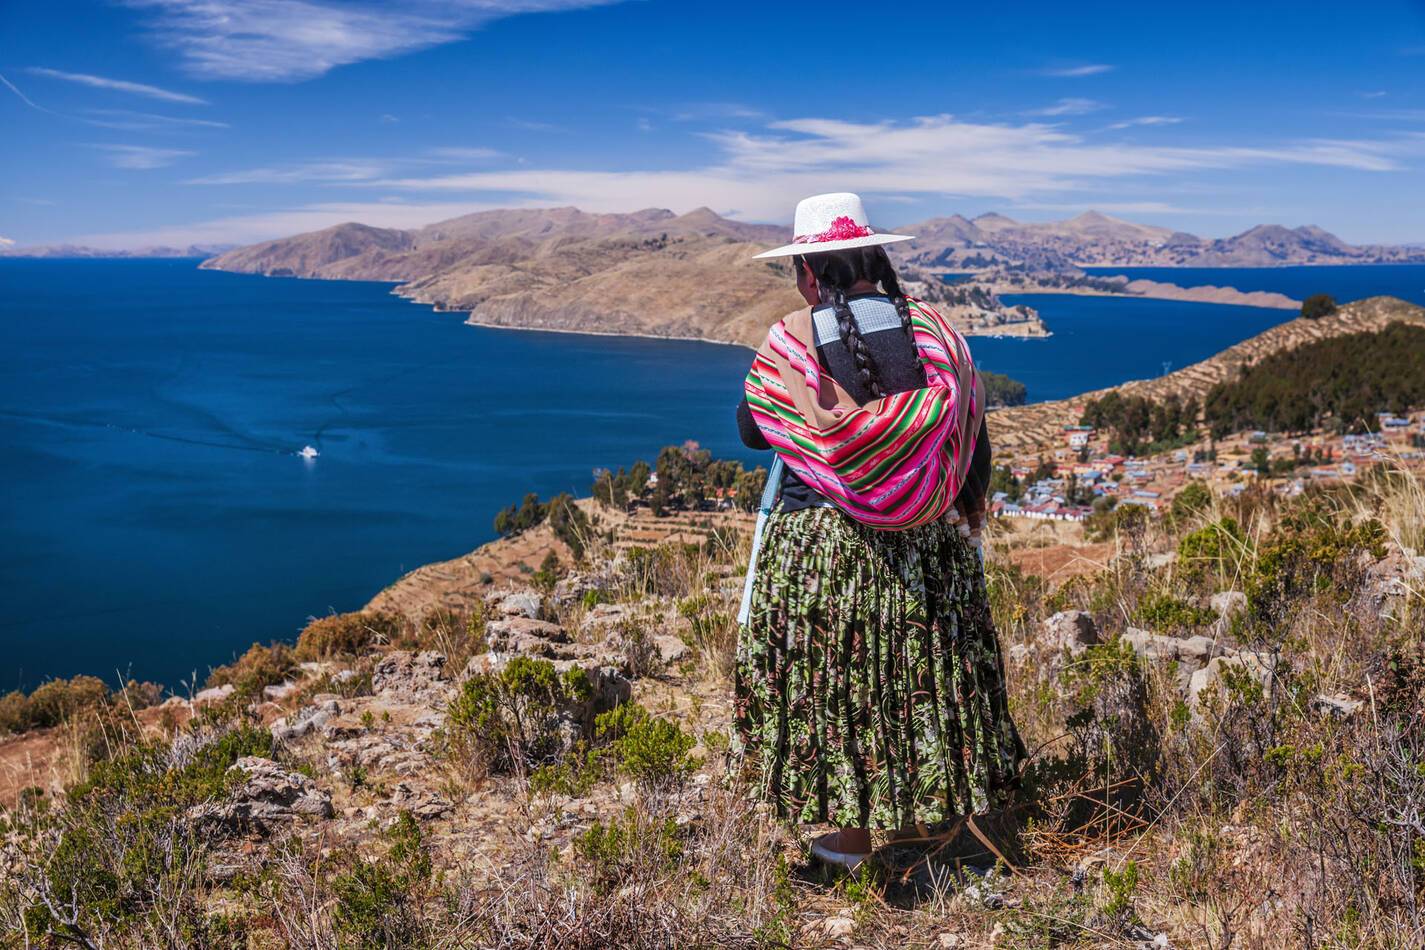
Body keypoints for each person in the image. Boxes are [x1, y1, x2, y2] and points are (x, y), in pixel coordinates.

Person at [733, 193, 1025, 869]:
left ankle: (845, 845)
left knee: (831, 691)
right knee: (929, 680)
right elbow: (971, 436)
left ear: (807, 274)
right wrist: (965, 514)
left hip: (821, 548)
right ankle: (946, 833)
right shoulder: (937, 334)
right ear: (876, 257)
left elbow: (751, 429)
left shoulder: (790, 343)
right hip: (928, 542)